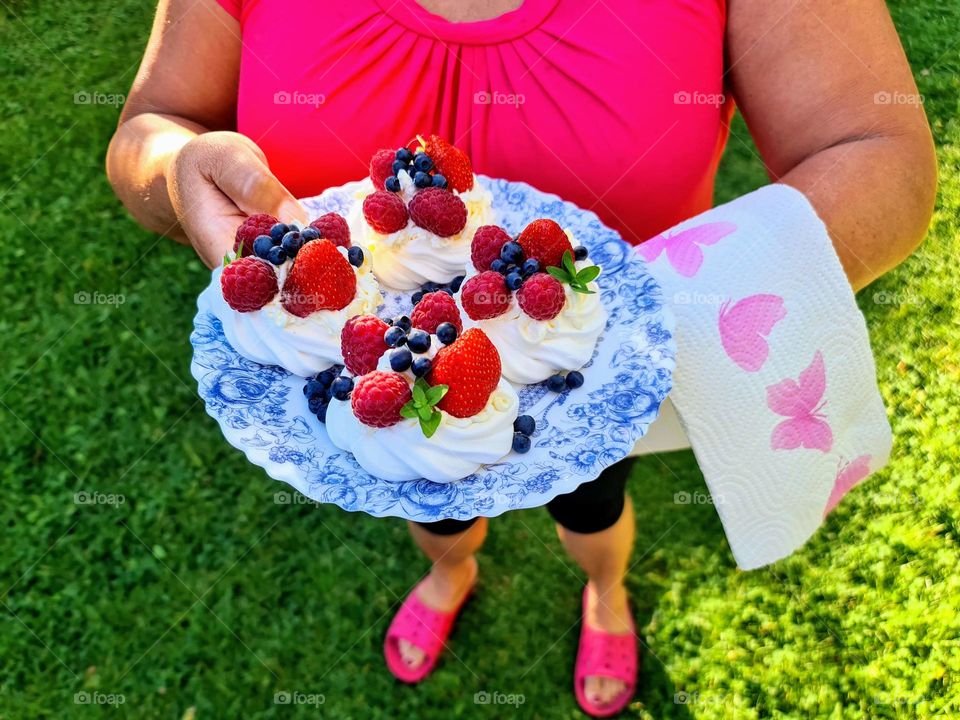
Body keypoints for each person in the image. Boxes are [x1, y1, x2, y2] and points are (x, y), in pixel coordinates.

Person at [106, 0, 936, 715]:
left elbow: (876, 150)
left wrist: (635, 324)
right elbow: (156, 123)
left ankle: (606, 595)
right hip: (394, 399)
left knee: (593, 511)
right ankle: (449, 572)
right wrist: (173, 167)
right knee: (434, 516)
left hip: (593, 385)